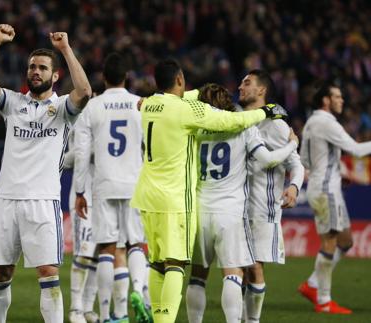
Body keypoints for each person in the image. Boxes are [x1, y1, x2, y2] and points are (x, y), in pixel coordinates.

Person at [130, 59, 286, 323]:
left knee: (170, 268)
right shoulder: (196, 115)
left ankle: (170, 318)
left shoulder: (150, 106)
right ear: (179, 79)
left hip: (164, 199)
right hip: (199, 205)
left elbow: (187, 97)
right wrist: (268, 112)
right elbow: (235, 125)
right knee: (195, 267)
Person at [0, 24, 91, 323]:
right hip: (8, 200)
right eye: (32, 67)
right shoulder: (12, 103)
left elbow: (85, 91)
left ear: (55, 75)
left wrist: (65, 49)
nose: (36, 71)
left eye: (43, 68)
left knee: (48, 273)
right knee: (1, 273)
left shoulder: (62, 108)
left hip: (43, 202)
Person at [184, 84, 299, 323]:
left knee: (197, 277)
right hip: (230, 213)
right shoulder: (243, 127)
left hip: (200, 210)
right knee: (233, 275)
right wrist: (292, 145)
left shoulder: (195, 128)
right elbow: (268, 160)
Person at [74, 52, 150, 323]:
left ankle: (109, 315)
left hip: (103, 184)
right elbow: (150, 147)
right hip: (134, 184)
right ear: (126, 77)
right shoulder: (140, 105)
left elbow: (82, 153)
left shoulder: (92, 107)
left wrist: (80, 191)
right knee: (136, 245)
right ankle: (139, 292)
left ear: (103, 78)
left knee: (106, 249)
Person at [298, 82, 371, 314]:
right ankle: (324, 301)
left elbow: (306, 161)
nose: (342, 100)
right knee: (329, 242)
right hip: (326, 191)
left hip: (325, 187)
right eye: (337, 97)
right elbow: (357, 150)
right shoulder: (326, 122)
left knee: (346, 241)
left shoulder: (311, 122)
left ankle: (312, 284)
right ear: (326, 100)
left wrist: (336, 172)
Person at [238, 69, 305, 322]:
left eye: (247, 83)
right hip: (236, 207)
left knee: (254, 267)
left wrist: (294, 187)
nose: (240, 86)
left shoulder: (276, 124)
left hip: (262, 208)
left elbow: (296, 164)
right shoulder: (239, 118)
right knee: (239, 268)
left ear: (261, 90)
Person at [63, 129, 100, 323]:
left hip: (106, 196)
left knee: (97, 255)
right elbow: (65, 159)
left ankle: (87, 308)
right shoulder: (77, 121)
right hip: (83, 196)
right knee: (84, 253)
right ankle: (75, 309)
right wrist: (88, 149)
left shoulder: (106, 113)